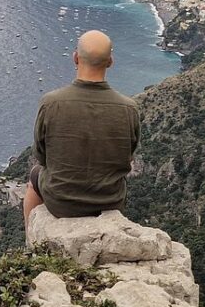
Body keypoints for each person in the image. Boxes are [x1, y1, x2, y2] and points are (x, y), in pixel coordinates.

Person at [23, 30, 141, 229]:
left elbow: (42, 157)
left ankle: (31, 241)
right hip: (110, 201)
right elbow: (127, 158)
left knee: (35, 175)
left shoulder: (51, 103)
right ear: (110, 61)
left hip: (60, 202)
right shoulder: (129, 108)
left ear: (75, 58)